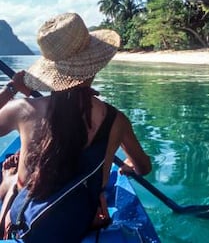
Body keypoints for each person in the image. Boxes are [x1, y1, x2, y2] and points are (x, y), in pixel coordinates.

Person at [0, 13, 152, 242]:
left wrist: (11, 89)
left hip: (27, 226)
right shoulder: (116, 120)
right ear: (93, 65)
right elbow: (144, 168)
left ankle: (9, 178)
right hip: (79, 224)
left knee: (12, 180)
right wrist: (131, 165)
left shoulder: (23, 110)